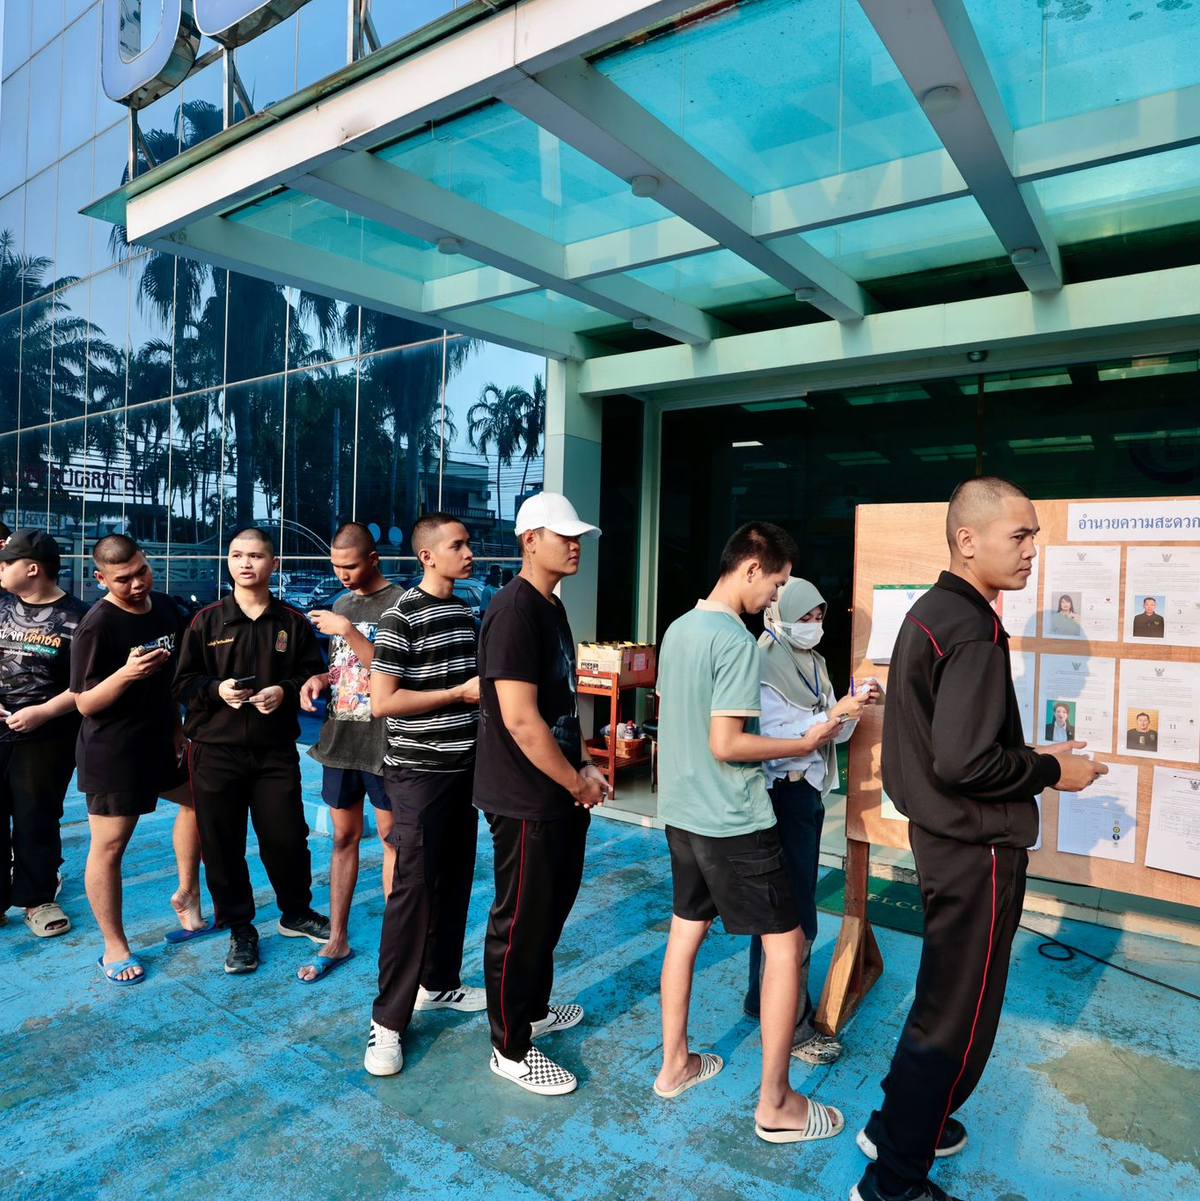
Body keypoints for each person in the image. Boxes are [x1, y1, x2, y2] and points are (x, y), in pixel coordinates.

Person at [853, 478, 1107, 1201]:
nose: (1033, 548)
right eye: (1019, 535)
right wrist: (1054, 767)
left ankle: (903, 1124)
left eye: (1033, 535)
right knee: (957, 1018)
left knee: (941, 998)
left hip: (945, 841)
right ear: (968, 541)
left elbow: (934, 752)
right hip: (976, 850)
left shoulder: (930, 615)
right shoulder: (972, 627)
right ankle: (893, 1182)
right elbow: (964, 760)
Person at [654, 523, 845, 1144]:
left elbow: (676, 724)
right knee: (785, 947)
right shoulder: (735, 641)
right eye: (779, 584)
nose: (777, 599)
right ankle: (777, 1103)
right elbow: (727, 742)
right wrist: (804, 740)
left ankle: (675, 1065)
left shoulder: (679, 628)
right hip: (734, 820)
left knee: (685, 934)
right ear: (753, 568)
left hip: (681, 815)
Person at [475, 492, 610, 1096]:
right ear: (530, 539)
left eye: (578, 534)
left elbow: (560, 707)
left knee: (549, 913)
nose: (575, 544)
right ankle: (509, 1047)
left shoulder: (551, 608)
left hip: (557, 793)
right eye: (563, 534)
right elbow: (522, 720)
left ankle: (530, 1008)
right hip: (525, 798)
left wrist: (585, 763)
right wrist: (574, 780)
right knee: (520, 921)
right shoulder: (512, 611)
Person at [174, 528, 330, 975]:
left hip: (274, 751)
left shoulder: (292, 623)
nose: (246, 563)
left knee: (286, 836)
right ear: (228, 561)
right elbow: (181, 683)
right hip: (215, 751)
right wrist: (216, 689)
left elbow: (313, 675)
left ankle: (295, 912)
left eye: (257, 556)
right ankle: (241, 928)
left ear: (273, 564)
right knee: (223, 844)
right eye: (238, 555)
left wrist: (284, 691)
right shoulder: (205, 621)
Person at [363, 513, 486, 1076]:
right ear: (428, 556)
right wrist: (459, 692)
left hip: (465, 770)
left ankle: (439, 983)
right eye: (457, 545)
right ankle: (386, 1023)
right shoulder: (399, 616)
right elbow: (383, 701)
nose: (468, 552)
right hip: (416, 773)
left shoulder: (467, 610)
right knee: (411, 891)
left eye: (467, 543)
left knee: (456, 878)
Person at [746, 577, 880, 1065]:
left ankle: (760, 1003)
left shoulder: (816, 663)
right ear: (782, 614)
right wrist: (831, 717)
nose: (815, 626)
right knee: (796, 917)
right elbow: (779, 734)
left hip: (806, 793)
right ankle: (796, 1029)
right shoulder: (760, 660)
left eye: (820, 616)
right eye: (806, 616)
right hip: (780, 793)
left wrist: (851, 709)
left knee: (780, 909)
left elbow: (832, 738)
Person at [71, 535, 207, 985]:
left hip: (160, 740)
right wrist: (126, 673)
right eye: (124, 579)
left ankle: (187, 895)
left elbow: (169, 680)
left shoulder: (165, 607)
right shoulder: (97, 625)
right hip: (114, 753)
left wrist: (176, 729)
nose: (136, 584)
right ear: (101, 578)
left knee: (200, 803)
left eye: (141, 571)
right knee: (109, 848)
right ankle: (114, 946)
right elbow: (86, 703)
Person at [297, 523, 400, 983]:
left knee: (393, 841)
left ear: (373, 559)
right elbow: (344, 667)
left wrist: (345, 629)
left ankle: (398, 950)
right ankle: (337, 938)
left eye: (350, 566)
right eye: (336, 566)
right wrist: (320, 680)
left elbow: (389, 668)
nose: (341, 575)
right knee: (343, 839)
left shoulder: (401, 603)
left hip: (384, 743)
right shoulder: (342, 603)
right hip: (341, 741)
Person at [0, 531, 87, 938]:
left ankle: (37, 899)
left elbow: (88, 685)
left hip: (47, 736)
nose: (0, 570)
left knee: (35, 816)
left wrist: (44, 712)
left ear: (31, 569)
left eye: (6, 563)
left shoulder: (80, 618)